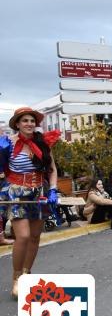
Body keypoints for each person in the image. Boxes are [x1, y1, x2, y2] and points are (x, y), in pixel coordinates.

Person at [0, 107, 60, 300]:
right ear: (17, 124)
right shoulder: (8, 143)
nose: (29, 124)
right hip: (17, 192)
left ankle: (27, 274)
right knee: (23, 236)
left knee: (35, 237)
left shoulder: (42, 142)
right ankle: (16, 278)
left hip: (39, 192)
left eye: (32, 121)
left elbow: (52, 168)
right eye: (25, 121)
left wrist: (52, 189)